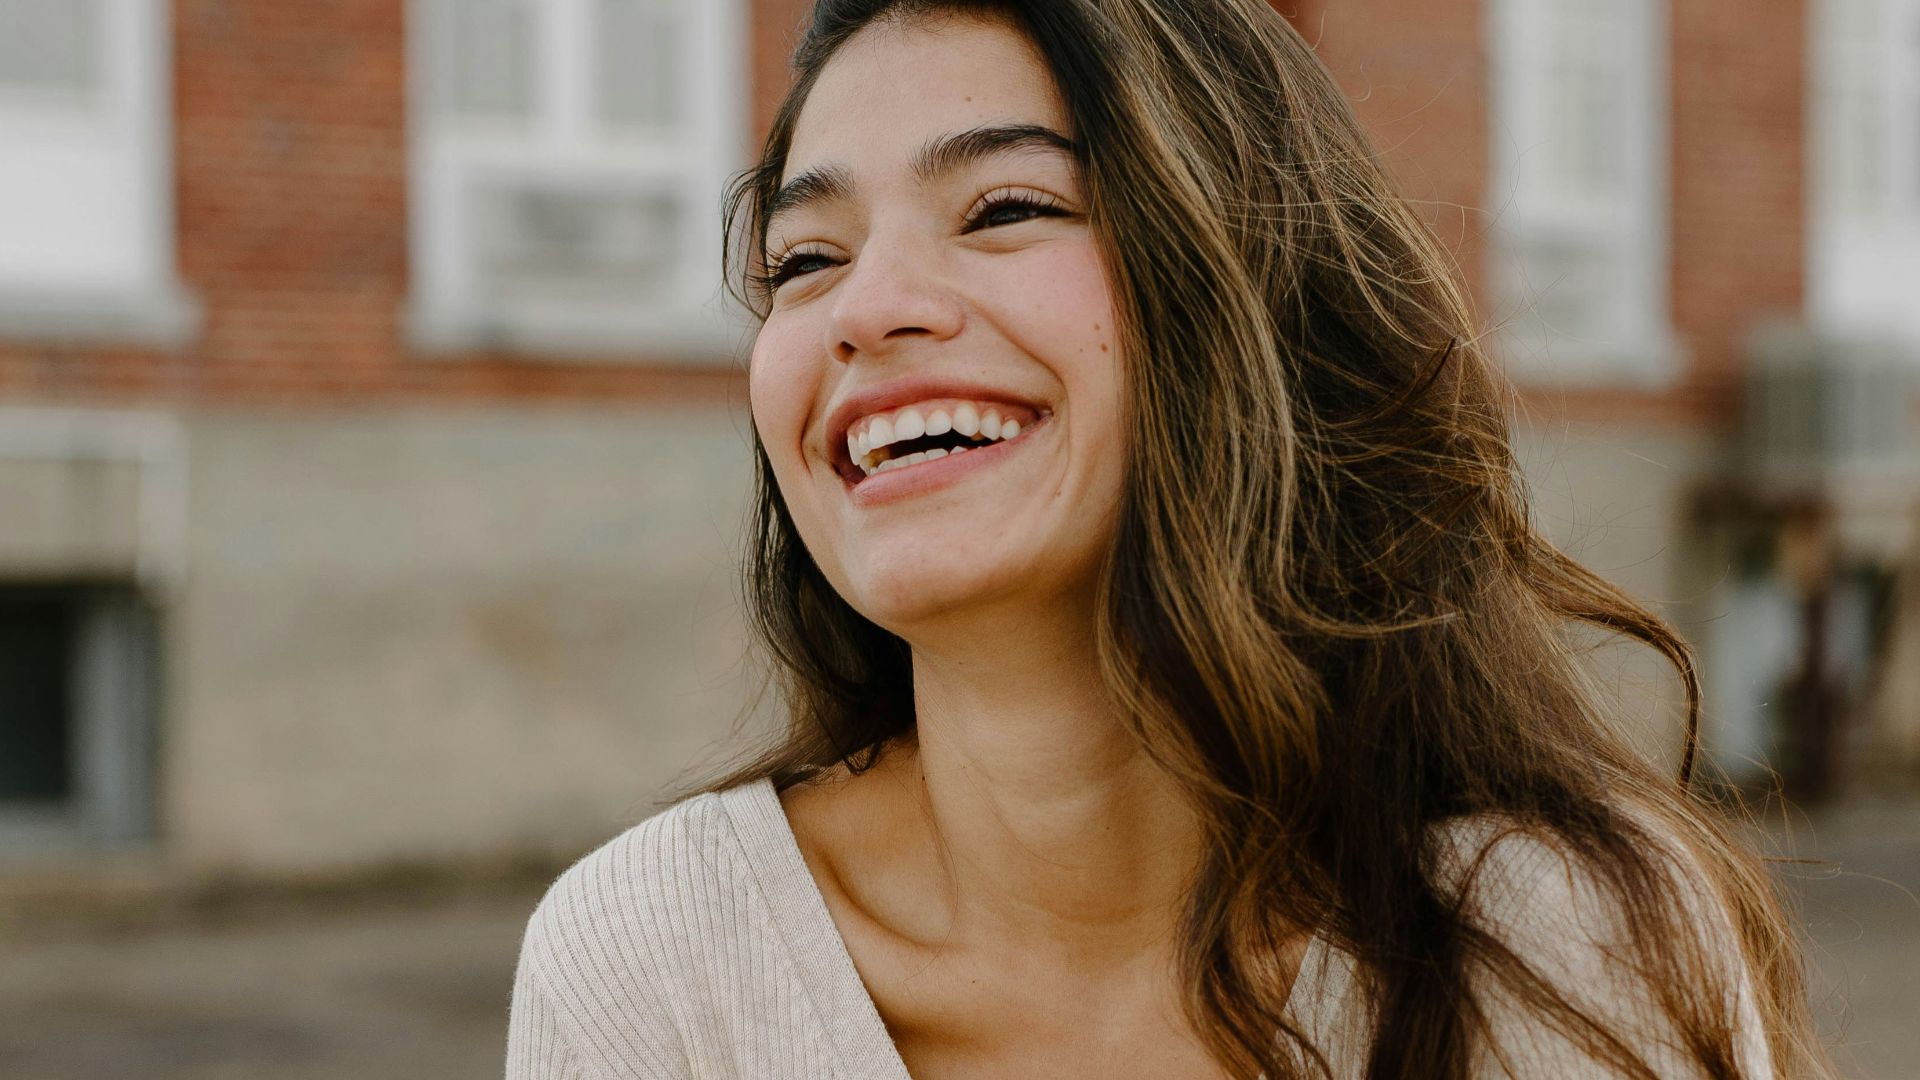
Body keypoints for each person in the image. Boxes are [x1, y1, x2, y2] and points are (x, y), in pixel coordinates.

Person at [506, 1, 1833, 1076]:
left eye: (1005, 208)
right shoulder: (655, 970)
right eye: (806, 260)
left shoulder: (1564, 947)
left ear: (1246, 282)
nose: (866, 309)